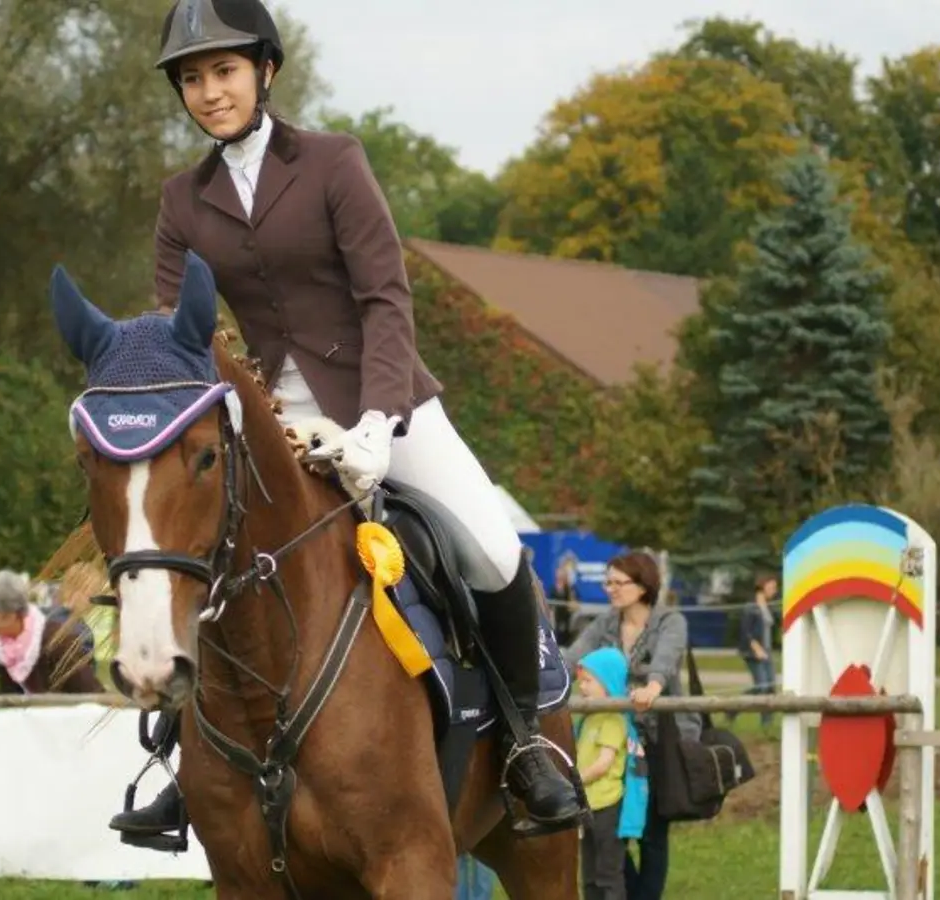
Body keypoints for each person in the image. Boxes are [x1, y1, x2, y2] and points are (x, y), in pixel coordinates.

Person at [109, 0, 586, 844]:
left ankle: (523, 747)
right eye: (192, 79)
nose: (208, 91)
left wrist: (374, 425)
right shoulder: (182, 200)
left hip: (384, 399)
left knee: (490, 545)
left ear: (266, 70)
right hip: (268, 417)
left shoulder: (334, 162)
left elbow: (384, 297)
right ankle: (184, 768)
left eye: (222, 71)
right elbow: (179, 334)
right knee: (208, 562)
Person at [564, 551, 695, 900]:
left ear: (643, 586)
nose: (611, 589)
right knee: (610, 831)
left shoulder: (669, 621)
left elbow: (666, 658)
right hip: (615, 739)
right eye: (608, 582)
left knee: (653, 832)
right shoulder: (605, 623)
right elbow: (574, 656)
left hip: (659, 738)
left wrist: (653, 686)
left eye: (618, 582)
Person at [576, 647, 650, 900]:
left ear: (607, 682)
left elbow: (603, 764)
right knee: (589, 874)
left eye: (588, 681)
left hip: (608, 806)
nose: (582, 687)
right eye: (580, 681)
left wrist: (573, 780)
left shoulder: (613, 720)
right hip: (587, 805)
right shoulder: (588, 719)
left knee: (608, 873)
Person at [0, 570, 104, 695]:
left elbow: (91, 693)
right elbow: (8, 697)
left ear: (12, 614)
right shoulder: (2, 648)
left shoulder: (58, 641)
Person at [733, 573, 778, 728]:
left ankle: (767, 724)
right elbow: (746, 631)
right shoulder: (751, 607)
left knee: (770, 687)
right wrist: (757, 649)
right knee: (762, 687)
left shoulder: (767, 606)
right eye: (772, 587)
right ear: (762, 587)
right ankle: (733, 709)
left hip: (767, 651)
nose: (774, 591)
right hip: (753, 652)